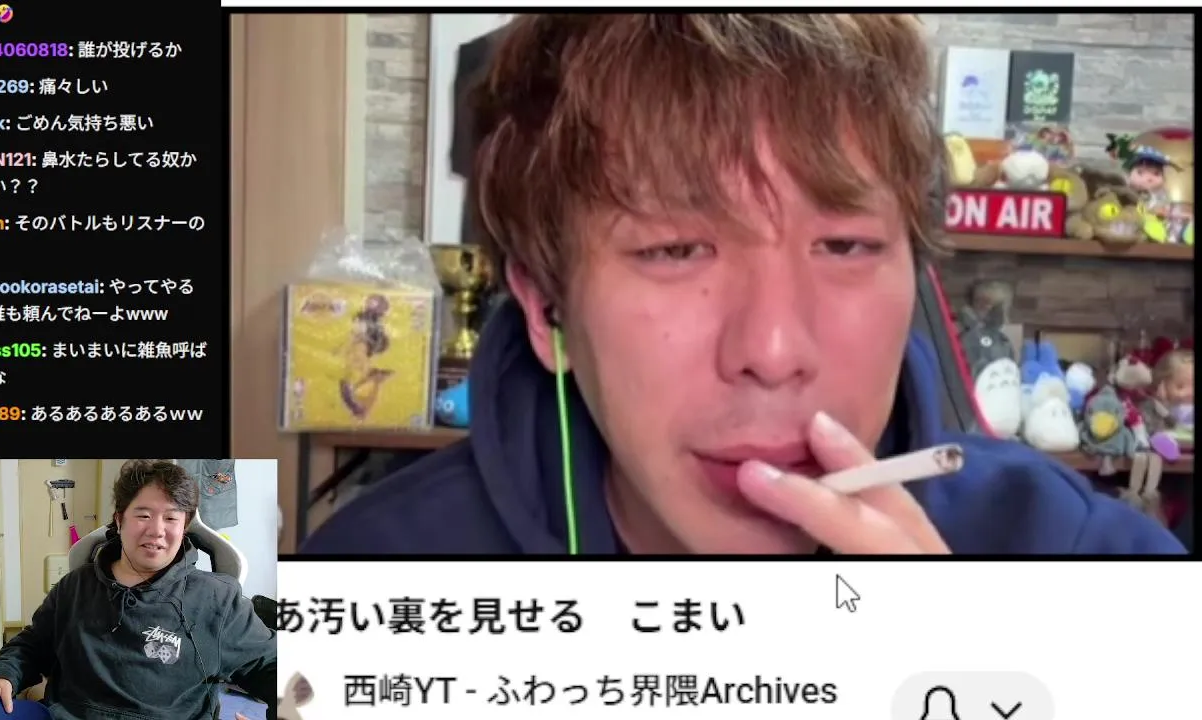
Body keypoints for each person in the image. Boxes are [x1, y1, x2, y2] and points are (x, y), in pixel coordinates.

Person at [302, 14, 1186, 555]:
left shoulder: (1081, 558)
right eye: (675, 250)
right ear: (545, 310)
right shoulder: (377, 578)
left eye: (844, 245)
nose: (772, 350)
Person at [0, 460, 277, 719]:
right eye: (143, 515)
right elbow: (33, 643)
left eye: (171, 518)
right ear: (120, 520)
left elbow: (271, 666)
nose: (156, 530)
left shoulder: (218, 600)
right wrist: (4, 673)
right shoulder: (75, 587)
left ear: (184, 527)